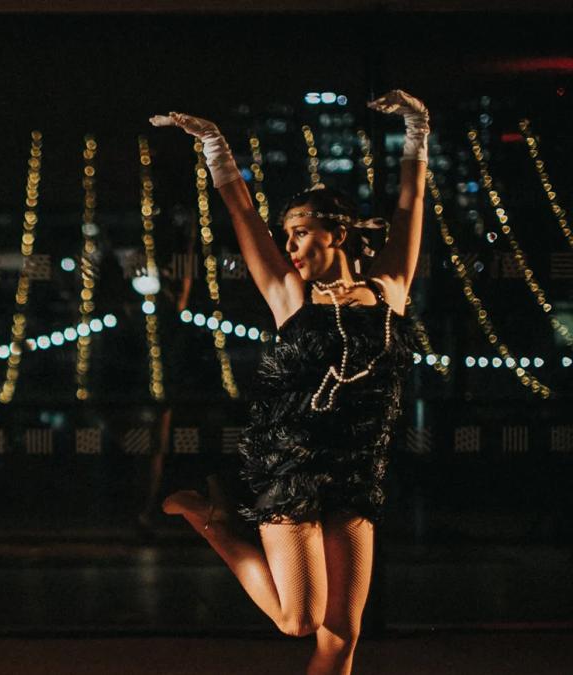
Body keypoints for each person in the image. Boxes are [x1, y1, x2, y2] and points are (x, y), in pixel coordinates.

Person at [150, 89, 428, 675]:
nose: (290, 246)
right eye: (287, 235)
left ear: (338, 233)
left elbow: (409, 208)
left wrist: (417, 128)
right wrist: (214, 146)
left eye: (300, 232)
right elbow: (243, 217)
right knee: (298, 621)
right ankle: (215, 521)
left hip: (356, 466)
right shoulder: (289, 296)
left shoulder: (388, 290)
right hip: (294, 464)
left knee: (340, 639)